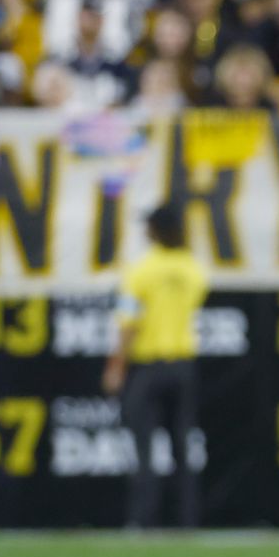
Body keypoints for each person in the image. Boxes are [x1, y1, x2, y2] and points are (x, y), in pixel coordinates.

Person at [102, 204, 208, 529]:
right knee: (181, 445)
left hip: (148, 366)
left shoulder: (141, 270)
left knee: (143, 445)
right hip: (183, 365)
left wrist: (116, 365)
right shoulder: (193, 268)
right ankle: (187, 520)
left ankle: (143, 520)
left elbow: (128, 322)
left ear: (156, 231)